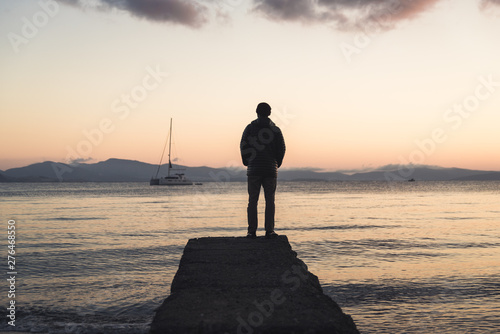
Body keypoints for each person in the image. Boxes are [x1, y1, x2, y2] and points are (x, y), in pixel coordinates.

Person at [240, 102, 286, 239]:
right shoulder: (276, 130)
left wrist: (246, 161)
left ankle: (251, 231)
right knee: (270, 200)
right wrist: (277, 163)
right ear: (270, 113)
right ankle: (269, 230)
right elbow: (282, 149)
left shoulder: (249, 128)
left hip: (254, 168)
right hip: (270, 169)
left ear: (256, 112)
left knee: (252, 200)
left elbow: (243, 145)